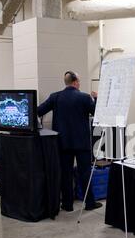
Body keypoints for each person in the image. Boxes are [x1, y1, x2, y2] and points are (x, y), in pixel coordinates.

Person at [38, 71, 103, 211]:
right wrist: (97, 99)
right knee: (84, 172)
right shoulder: (85, 98)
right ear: (75, 82)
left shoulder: (55, 97)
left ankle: (67, 204)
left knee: (65, 173)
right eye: (79, 81)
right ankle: (89, 203)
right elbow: (98, 115)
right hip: (82, 143)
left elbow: (39, 110)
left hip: (63, 143)